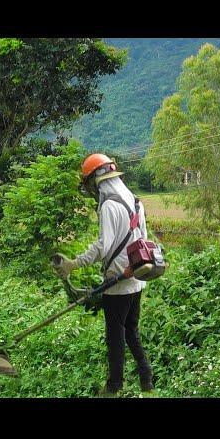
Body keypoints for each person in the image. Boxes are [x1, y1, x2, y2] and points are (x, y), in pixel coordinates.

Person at [55, 153, 154, 396]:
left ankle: (114, 386)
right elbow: (143, 239)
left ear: (96, 179)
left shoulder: (109, 204)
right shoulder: (134, 200)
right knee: (131, 329)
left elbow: (104, 246)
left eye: (88, 182)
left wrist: (75, 263)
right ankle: (146, 379)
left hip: (118, 282)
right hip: (136, 277)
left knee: (115, 335)